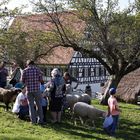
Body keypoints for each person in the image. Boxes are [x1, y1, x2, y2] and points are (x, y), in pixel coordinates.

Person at [21, 60, 44, 125]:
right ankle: (40, 120)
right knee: (39, 105)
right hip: (37, 90)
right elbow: (41, 80)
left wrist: (26, 82)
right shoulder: (38, 70)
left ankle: (33, 121)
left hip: (29, 90)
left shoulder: (24, 71)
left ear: (27, 64)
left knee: (31, 106)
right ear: (33, 64)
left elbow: (22, 81)